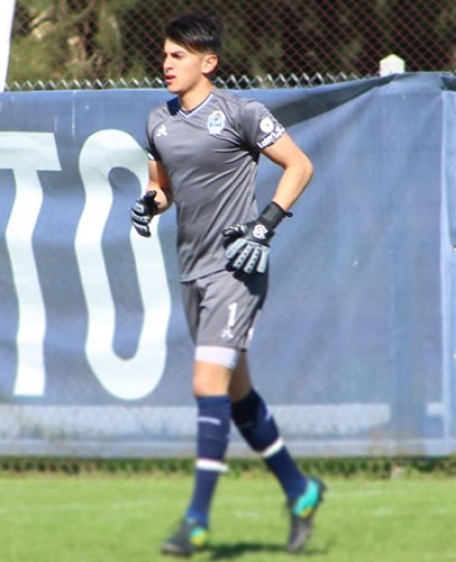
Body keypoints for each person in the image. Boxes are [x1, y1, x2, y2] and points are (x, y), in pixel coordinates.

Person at [130, 13, 326, 557]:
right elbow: (163, 187)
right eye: (165, 54)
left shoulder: (242, 113)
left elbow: (299, 166)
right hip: (191, 270)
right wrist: (150, 204)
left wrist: (265, 226)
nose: (166, 64)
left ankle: (196, 520)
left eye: (178, 55)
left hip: (236, 271)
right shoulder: (158, 121)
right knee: (236, 395)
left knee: (206, 384)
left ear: (208, 62)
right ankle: (301, 490)